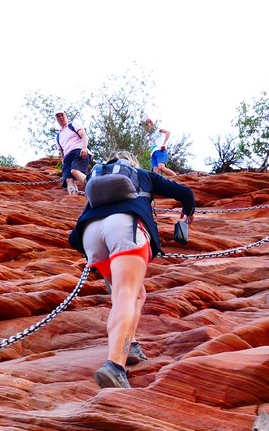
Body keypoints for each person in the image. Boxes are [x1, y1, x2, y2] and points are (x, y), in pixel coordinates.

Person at [68, 150, 196, 389]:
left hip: (91, 233)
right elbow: (185, 194)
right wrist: (186, 216)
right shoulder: (143, 174)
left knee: (131, 294)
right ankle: (115, 365)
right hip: (125, 225)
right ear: (132, 163)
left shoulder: (98, 175)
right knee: (126, 293)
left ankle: (131, 344)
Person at [55, 110, 91, 195]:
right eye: (58, 116)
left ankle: (93, 189)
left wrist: (84, 148)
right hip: (67, 156)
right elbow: (62, 152)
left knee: (75, 171)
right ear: (56, 119)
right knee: (68, 179)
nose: (60, 118)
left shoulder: (73, 125)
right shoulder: (58, 136)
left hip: (78, 150)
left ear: (66, 116)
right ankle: (74, 197)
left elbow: (84, 135)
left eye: (62, 115)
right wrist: (63, 163)